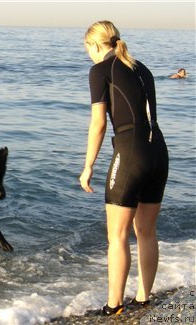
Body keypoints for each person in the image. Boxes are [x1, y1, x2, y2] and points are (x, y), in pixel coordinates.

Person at [79, 21, 169, 316]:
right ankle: (143, 299)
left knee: (117, 236)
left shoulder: (100, 70)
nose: (89, 56)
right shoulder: (141, 67)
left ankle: (114, 305)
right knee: (146, 230)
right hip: (158, 152)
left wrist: (88, 166)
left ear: (94, 45)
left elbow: (99, 123)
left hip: (131, 153)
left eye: (87, 50)